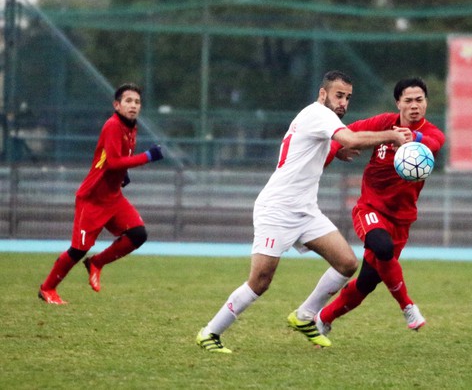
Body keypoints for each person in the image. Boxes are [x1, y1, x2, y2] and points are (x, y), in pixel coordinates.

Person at [195, 70, 409, 353]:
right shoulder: (319, 114)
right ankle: (210, 332)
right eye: (338, 95)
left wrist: (337, 149)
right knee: (260, 281)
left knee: (346, 262)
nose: (344, 102)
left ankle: (304, 315)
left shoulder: (320, 120)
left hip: (305, 211)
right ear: (323, 95)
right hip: (278, 209)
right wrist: (391, 136)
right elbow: (352, 139)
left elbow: (325, 144)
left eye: (347, 97)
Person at [311, 77, 445, 339]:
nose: (414, 106)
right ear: (398, 103)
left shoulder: (432, 133)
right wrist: (325, 161)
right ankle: (407, 306)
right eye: (408, 100)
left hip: (402, 219)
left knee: (368, 282)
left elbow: (431, 144)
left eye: (419, 100)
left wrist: (412, 137)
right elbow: (346, 135)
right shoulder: (384, 123)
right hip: (370, 208)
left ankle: (322, 319)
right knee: (381, 247)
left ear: (426, 103)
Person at [38, 83, 164, 305]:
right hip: (93, 198)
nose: (133, 105)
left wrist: (122, 175)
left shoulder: (131, 126)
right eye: (128, 101)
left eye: (137, 102)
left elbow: (110, 159)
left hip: (113, 197)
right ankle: (47, 289)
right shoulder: (113, 125)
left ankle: (96, 262)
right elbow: (114, 161)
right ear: (116, 105)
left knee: (138, 235)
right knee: (78, 249)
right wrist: (148, 156)